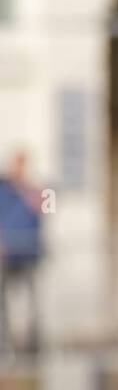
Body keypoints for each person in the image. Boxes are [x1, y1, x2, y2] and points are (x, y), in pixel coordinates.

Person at [0, 150, 44, 359]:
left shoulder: (35, 190)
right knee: (4, 304)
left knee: (32, 303)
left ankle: (32, 347)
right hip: (6, 257)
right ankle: (6, 345)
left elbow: (45, 210)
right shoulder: (2, 190)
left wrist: (25, 188)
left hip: (29, 254)